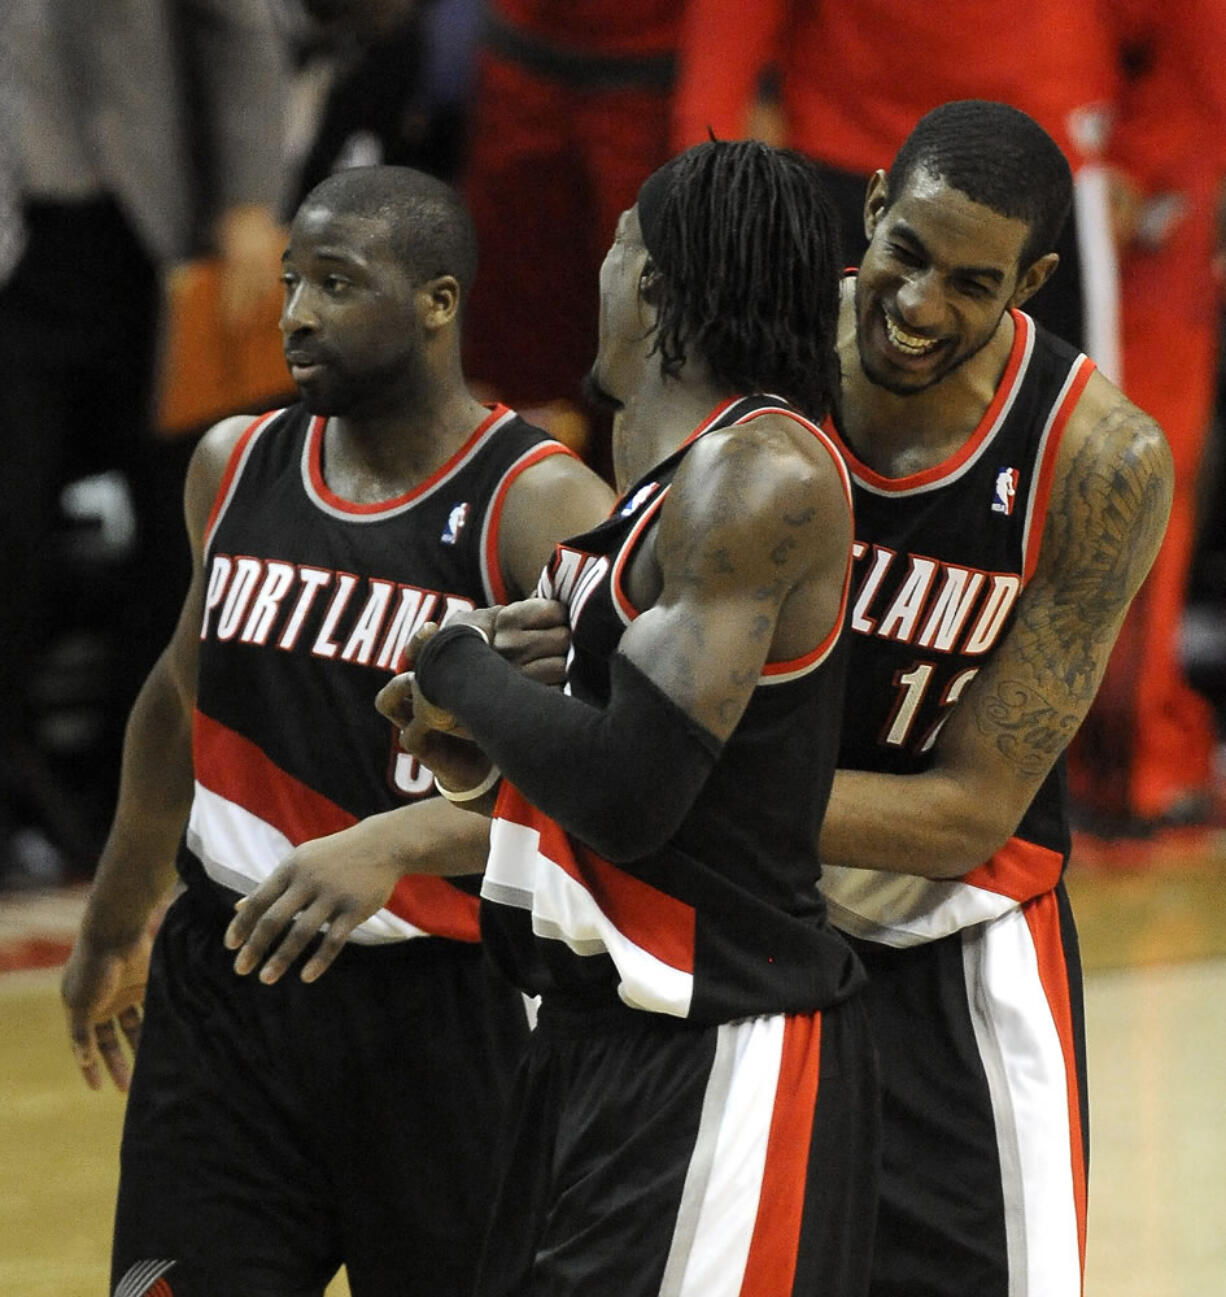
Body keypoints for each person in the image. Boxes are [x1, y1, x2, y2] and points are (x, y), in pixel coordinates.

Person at [60, 165, 614, 1297]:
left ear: (437, 302)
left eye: (336, 283)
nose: (297, 314)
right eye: (289, 283)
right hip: (226, 987)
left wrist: (400, 842)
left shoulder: (540, 504)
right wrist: (117, 911)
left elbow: (615, 784)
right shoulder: (235, 463)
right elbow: (178, 691)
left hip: (446, 1008)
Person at [370, 139, 879, 1296]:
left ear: (650, 285)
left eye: (613, 252)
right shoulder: (661, 485)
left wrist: (462, 665)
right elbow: (616, 759)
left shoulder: (757, 474)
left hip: (717, 1044)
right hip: (595, 1032)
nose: (593, 278)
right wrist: (471, 738)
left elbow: (632, 795)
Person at [812, 101, 1173, 1296]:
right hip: (739, 909)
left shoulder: (1097, 459)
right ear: (869, 207)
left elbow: (969, 813)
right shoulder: (746, 357)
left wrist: (666, 772)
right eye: (903, 255)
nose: (916, 307)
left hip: (954, 936)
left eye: (970, 284)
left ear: (1034, 282)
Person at [0, 0, 288, 883]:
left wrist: (247, 198)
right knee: (9, 530)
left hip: (152, 232)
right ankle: (16, 800)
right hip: (16, 243)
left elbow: (235, 26)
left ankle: (148, 796)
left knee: (182, 533)